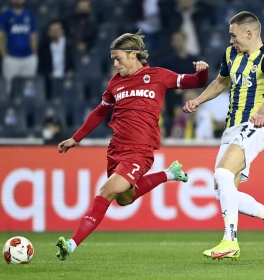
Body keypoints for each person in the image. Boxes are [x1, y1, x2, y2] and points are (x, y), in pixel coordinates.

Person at [55, 30, 209, 260]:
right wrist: (75, 138)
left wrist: (203, 72)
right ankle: (170, 174)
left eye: (118, 59)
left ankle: (71, 244)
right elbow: (100, 112)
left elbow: (193, 82)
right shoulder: (115, 83)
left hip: (140, 151)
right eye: (113, 60)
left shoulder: (158, 75)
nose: (115, 64)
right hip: (116, 149)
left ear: (133, 54)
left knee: (106, 191)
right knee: (124, 199)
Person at [183, 11, 264, 260]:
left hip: (254, 126)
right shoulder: (231, 54)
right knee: (223, 191)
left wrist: (261, 114)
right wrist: (198, 100)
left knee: (222, 173)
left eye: (234, 35)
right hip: (231, 128)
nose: (231, 40)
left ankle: (230, 241)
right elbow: (221, 83)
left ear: (249, 33)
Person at [0, 0, 38, 93]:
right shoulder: (5, 15)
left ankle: (28, 106)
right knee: (9, 87)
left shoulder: (29, 15)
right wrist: (4, 55)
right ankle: (11, 107)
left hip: (28, 57)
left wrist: (34, 54)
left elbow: (33, 35)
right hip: (11, 57)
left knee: (29, 87)